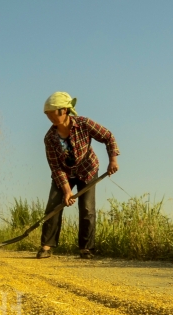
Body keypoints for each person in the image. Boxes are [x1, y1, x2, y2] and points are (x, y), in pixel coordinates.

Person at [39, 92, 119, 259]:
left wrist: (112, 160)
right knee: (53, 207)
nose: (50, 118)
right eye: (48, 115)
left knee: (87, 209)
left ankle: (86, 248)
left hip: (87, 170)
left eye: (52, 114)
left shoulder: (84, 124)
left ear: (63, 111)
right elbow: (55, 167)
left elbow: (108, 137)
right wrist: (67, 191)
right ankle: (46, 246)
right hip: (64, 174)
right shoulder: (50, 138)